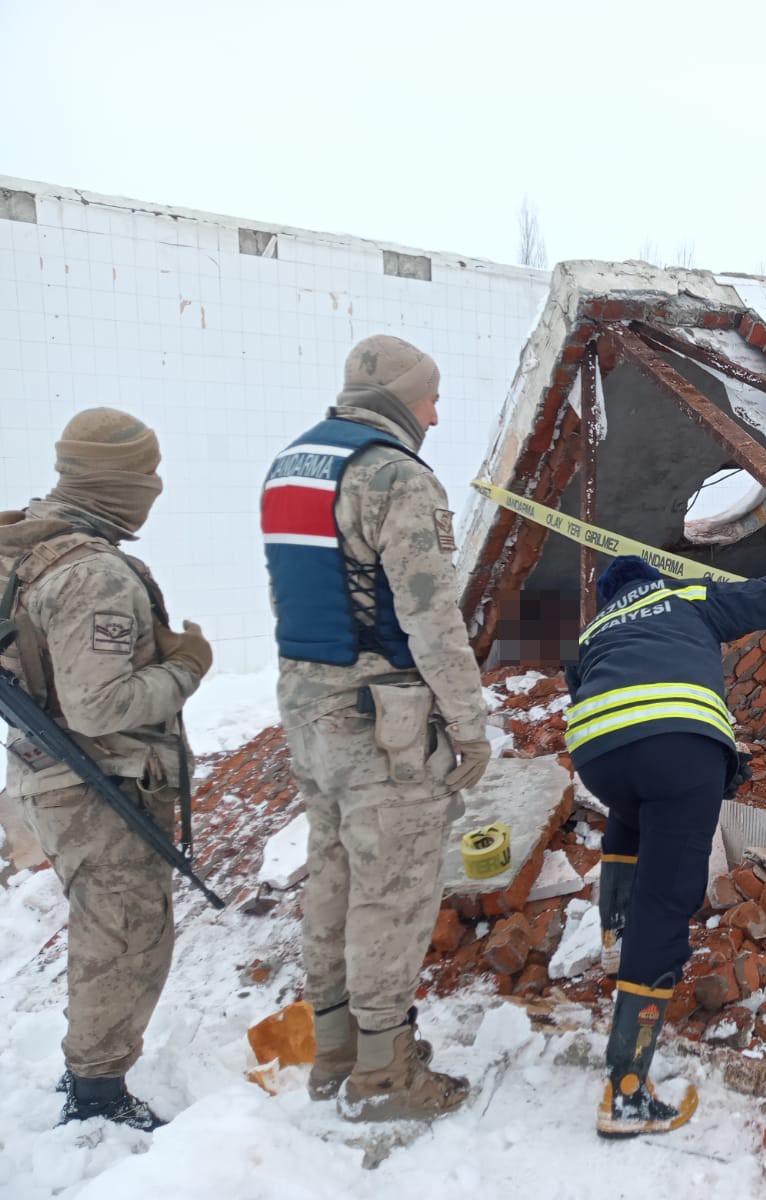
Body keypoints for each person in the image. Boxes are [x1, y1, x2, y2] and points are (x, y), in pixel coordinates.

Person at [263, 335, 491, 1122]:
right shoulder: (395, 475)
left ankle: (334, 1052)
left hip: (308, 708)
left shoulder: (292, 465)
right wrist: (468, 725)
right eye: (431, 397)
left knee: (332, 876)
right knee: (391, 892)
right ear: (402, 400)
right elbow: (430, 620)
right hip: (380, 721)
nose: (437, 411)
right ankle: (384, 1074)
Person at [568, 520, 766, 1138]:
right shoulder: (682, 598)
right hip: (680, 750)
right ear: (652, 580)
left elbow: (580, 692)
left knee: (629, 810)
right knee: (666, 903)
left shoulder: (594, 631)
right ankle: (627, 1091)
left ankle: (615, 934)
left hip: (597, 757)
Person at [0, 409, 212, 1130]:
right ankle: (97, 1099)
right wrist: (185, 669)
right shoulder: (92, 574)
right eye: (148, 474)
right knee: (123, 935)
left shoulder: (23, 544)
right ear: (120, 481)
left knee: (109, 925)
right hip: (97, 780)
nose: (156, 487)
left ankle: (94, 1079)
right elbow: (100, 706)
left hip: (42, 773)